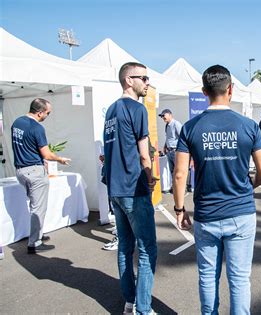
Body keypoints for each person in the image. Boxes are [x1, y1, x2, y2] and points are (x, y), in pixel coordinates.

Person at [172, 65, 261, 314]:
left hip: (206, 215)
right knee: (239, 279)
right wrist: (251, 185)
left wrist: (179, 209)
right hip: (241, 212)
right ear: (231, 90)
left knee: (207, 276)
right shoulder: (248, 126)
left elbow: (180, 173)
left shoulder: (190, 127)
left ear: (204, 91)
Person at [103, 62, 158, 315]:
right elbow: (144, 154)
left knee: (126, 247)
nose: (147, 82)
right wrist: (150, 177)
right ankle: (143, 309)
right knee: (147, 250)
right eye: (143, 78)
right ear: (129, 80)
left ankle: (129, 301)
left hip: (115, 189)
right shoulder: (137, 108)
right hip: (133, 188)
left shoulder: (111, 110)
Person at [11, 98, 71, 254]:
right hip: (34, 171)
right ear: (40, 112)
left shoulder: (17, 122)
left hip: (20, 170)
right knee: (38, 208)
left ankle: (37, 234)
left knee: (34, 205)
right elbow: (46, 154)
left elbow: (24, 146)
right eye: (47, 113)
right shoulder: (37, 128)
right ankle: (34, 242)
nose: (47, 116)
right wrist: (60, 159)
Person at [159, 109, 182, 192]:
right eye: (162, 116)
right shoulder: (167, 125)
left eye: (163, 115)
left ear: (170, 114)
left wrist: (180, 150)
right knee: (172, 170)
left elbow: (182, 138)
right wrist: (165, 146)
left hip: (175, 151)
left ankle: (180, 188)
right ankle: (174, 187)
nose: (162, 117)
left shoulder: (176, 124)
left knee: (178, 171)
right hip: (169, 151)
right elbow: (168, 138)